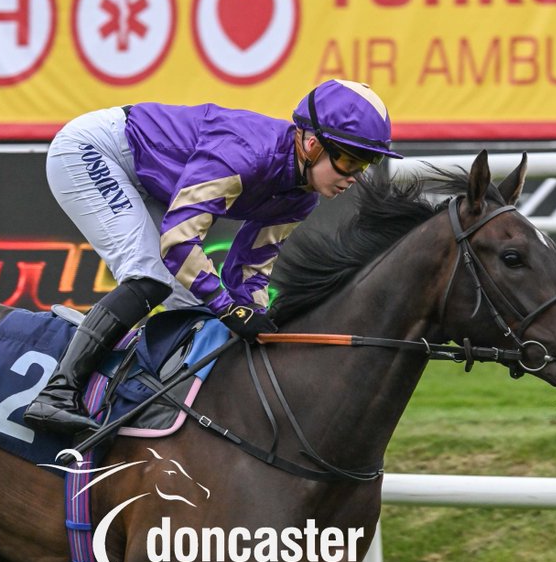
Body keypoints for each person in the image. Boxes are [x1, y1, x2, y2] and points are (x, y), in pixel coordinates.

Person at [23, 80, 398, 435]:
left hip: (148, 175)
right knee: (150, 276)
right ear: (312, 144)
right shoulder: (247, 154)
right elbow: (179, 241)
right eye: (350, 161)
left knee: (190, 302)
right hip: (93, 150)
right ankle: (56, 392)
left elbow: (250, 269)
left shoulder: (302, 196)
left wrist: (254, 317)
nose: (354, 177)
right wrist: (227, 309)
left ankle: (140, 396)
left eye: (365, 166)